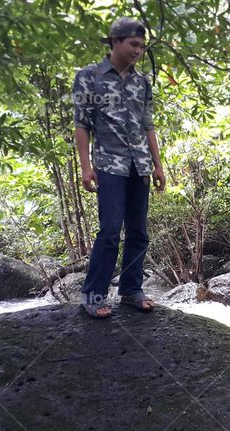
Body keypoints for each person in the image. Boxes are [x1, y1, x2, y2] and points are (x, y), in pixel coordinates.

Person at [73, 17, 166, 318]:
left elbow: (147, 125)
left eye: (141, 46)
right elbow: (82, 125)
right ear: (115, 42)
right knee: (110, 231)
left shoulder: (142, 83)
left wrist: (158, 165)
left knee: (138, 232)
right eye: (133, 44)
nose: (138, 50)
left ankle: (131, 290)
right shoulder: (90, 77)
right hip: (109, 166)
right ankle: (93, 294)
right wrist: (86, 167)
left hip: (139, 166)